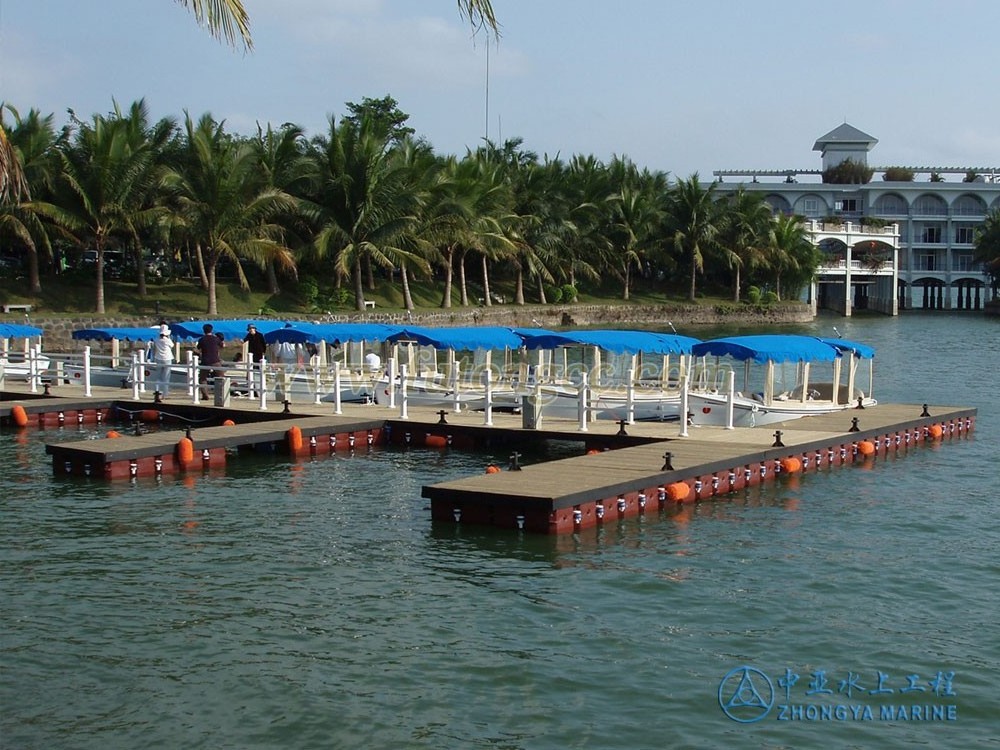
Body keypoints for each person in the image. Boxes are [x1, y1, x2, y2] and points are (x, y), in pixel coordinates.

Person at [196, 323, 224, 399]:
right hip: (215, 360)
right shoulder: (216, 339)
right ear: (212, 330)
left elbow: (198, 348)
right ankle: (221, 394)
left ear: (204, 331)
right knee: (221, 377)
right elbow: (222, 345)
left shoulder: (202, 339)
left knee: (202, 378)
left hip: (205, 361)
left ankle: (205, 395)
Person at [150, 324, 174, 398]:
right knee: (166, 377)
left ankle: (157, 391)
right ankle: (165, 394)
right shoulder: (167, 340)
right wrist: (168, 337)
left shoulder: (156, 340)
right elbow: (172, 345)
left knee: (158, 376)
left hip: (158, 358)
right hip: (167, 358)